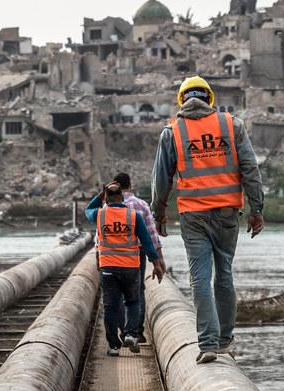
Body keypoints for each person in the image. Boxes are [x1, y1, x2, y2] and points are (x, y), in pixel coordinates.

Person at [150, 75, 265, 364]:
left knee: (200, 277)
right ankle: (225, 339)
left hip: (193, 215)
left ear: (182, 100)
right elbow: (250, 169)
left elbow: (161, 180)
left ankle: (208, 343)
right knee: (224, 273)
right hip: (227, 213)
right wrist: (257, 209)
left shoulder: (172, 132)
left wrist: (158, 213)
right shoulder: (231, 125)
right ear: (209, 98)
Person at [86, 181, 165, 356]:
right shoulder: (133, 215)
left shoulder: (99, 215)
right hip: (130, 267)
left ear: (106, 198)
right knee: (133, 301)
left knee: (111, 306)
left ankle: (114, 345)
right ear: (122, 197)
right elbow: (147, 241)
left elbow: (87, 209)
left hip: (108, 268)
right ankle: (130, 333)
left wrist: (100, 195)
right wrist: (156, 263)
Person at [112, 172, 164, 343]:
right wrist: (158, 260)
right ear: (130, 185)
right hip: (136, 253)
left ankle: (123, 330)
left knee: (117, 293)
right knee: (137, 289)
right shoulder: (141, 205)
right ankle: (136, 332)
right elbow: (151, 234)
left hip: (113, 254)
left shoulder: (107, 207)